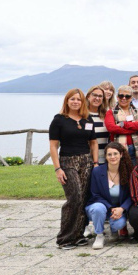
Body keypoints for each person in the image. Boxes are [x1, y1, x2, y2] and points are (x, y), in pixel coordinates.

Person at [50, 89, 98, 249]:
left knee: (83, 199)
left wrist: (95, 162)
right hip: (68, 161)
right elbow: (53, 145)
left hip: (86, 161)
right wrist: (57, 168)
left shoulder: (87, 119)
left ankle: (78, 235)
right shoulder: (59, 120)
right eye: (73, 99)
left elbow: (93, 142)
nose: (76, 102)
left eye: (79, 99)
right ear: (67, 101)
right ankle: (65, 238)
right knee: (74, 198)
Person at [85, 142, 133, 249]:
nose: (112, 157)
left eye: (115, 154)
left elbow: (132, 195)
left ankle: (114, 230)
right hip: (99, 205)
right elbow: (95, 194)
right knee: (98, 208)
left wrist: (122, 208)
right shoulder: (97, 171)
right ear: (105, 156)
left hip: (118, 209)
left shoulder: (128, 171)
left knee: (118, 224)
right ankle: (99, 235)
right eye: (109, 154)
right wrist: (111, 208)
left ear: (121, 154)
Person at [105, 85, 138, 164]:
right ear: (117, 97)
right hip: (117, 148)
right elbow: (111, 128)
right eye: (121, 96)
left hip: (135, 147)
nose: (124, 98)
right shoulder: (111, 112)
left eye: (127, 96)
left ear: (131, 98)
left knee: (134, 171)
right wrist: (133, 128)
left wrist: (123, 124)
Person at [86, 86, 110, 164]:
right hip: (87, 159)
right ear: (88, 96)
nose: (97, 98)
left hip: (105, 159)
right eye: (94, 95)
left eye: (100, 96)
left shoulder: (107, 115)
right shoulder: (82, 115)